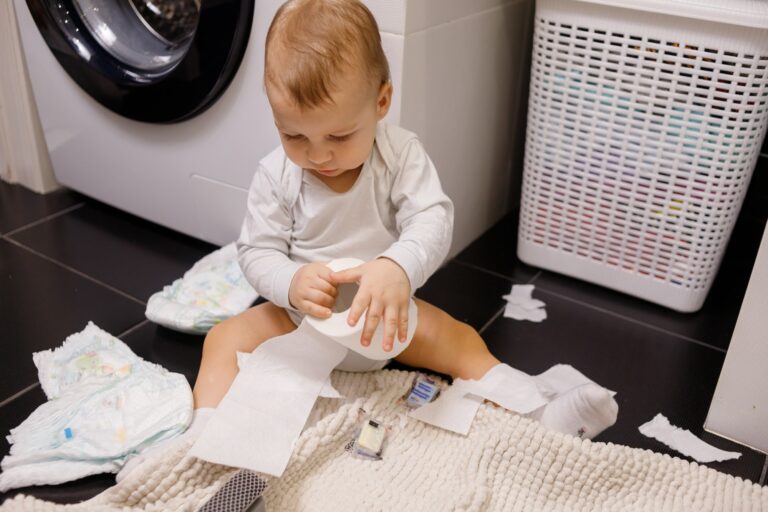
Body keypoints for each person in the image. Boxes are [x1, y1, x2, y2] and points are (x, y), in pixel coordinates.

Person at [118, 0, 616, 482]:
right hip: (299, 321)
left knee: (461, 340)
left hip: (385, 319)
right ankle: (202, 437)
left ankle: (538, 408)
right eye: (294, 137)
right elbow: (256, 250)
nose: (318, 156)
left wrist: (396, 267)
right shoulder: (276, 175)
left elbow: (432, 219)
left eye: (338, 137)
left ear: (381, 102)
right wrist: (290, 281)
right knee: (224, 338)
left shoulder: (399, 156)